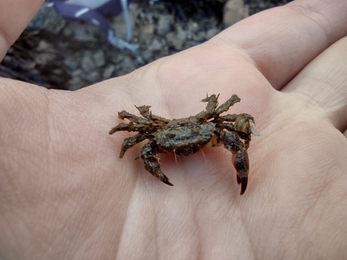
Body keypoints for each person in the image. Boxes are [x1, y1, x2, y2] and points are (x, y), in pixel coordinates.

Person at [1, 0, 347, 259]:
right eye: (176, 147)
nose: (186, 151)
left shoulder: (212, 129)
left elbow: (233, 131)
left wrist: (242, 142)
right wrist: (132, 153)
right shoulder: (153, 139)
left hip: (196, 124)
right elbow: (138, 143)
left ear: (205, 135)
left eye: (193, 145)